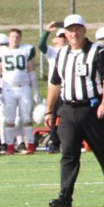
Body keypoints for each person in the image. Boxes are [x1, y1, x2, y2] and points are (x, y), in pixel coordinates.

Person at [43, 14, 104, 207]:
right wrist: (49, 110)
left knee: (103, 153)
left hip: (92, 109)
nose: (74, 33)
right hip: (68, 109)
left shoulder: (97, 52)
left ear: (84, 30)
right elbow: (55, 83)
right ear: (66, 33)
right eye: (70, 30)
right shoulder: (61, 54)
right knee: (68, 154)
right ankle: (65, 196)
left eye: (77, 29)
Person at [0, 28, 40, 154]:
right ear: (8, 38)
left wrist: (36, 92)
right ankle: (10, 146)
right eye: (12, 37)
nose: (15, 39)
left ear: (21, 38)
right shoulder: (1, 52)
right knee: (9, 119)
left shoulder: (26, 50)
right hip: (8, 89)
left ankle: (30, 144)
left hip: (24, 87)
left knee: (26, 117)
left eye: (17, 37)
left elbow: (32, 72)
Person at [38, 22, 68, 153]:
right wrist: (46, 32)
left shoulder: (71, 51)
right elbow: (41, 46)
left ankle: (66, 141)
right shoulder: (52, 51)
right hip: (54, 88)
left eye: (64, 37)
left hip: (68, 88)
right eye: (60, 37)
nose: (62, 39)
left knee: (67, 116)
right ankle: (54, 141)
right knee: (53, 115)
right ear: (55, 40)